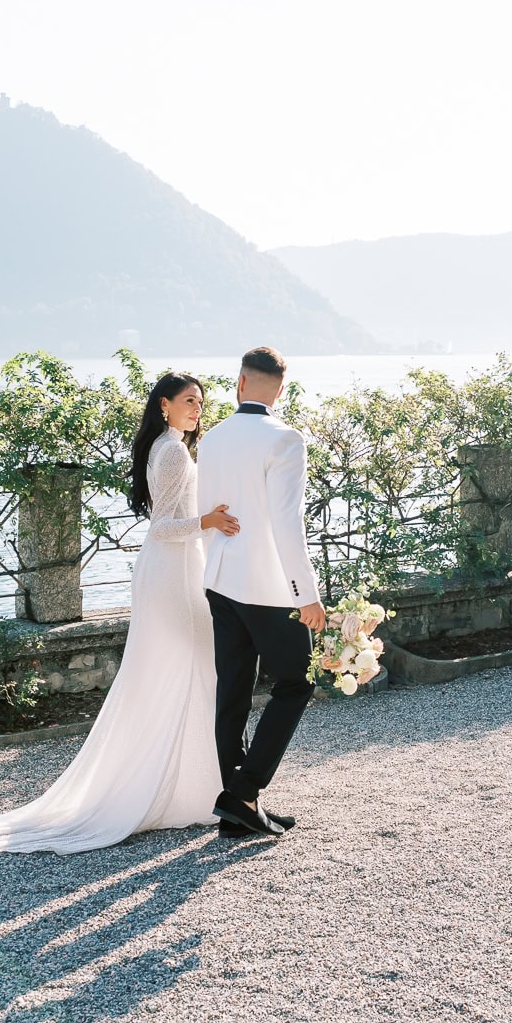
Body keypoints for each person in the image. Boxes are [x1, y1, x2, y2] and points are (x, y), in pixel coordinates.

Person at [0, 373, 238, 853]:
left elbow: (175, 518)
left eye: (201, 401)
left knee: (183, 670)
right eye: (189, 401)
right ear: (165, 405)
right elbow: (164, 528)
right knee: (190, 666)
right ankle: (171, 788)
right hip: (171, 572)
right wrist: (208, 521)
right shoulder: (171, 451)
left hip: (174, 570)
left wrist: (207, 520)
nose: (197, 408)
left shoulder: (170, 446)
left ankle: (186, 785)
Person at [197, 345, 326, 838]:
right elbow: (286, 522)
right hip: (270, 588)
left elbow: (211, 509)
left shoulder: (212, 437)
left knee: (233, 691)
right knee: (296, 683)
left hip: (221, 579)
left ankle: (241, 807)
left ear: (241, 383)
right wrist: (306, 593)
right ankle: (243, 793)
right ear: (281, 389)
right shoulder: (285, 438)